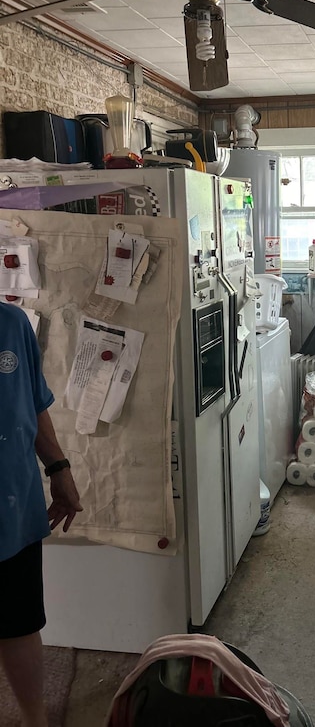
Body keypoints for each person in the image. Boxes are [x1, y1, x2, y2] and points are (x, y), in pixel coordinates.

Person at [0, 303, 82, 727]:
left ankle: (35, 720)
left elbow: (33, 402)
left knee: (19, 622)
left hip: (12, 506)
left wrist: (59, 469)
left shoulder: (12, 324)